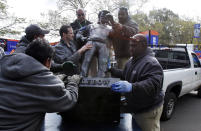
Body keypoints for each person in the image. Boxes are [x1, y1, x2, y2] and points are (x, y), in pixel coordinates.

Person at [0, 38, 81, 131]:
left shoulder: (4, 65)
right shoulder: (44, 81)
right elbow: (68, 100)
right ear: (48, 61)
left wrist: (54, 80)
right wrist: (73, 83)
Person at [110, 34, 164, 131]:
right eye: (130, 45)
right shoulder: (133, 60)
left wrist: (132, 87)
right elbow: (127, 74)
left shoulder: (150, 62)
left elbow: (153, 84)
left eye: (134, 46)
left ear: (143, 46)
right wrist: (112, 70)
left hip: (148, 110)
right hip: (136, 108)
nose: (130, 48)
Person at [76, 10, 115, 77]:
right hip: (92, 42)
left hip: (104, 44)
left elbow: (116, 36)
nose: (103, 18)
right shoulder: (91, 25)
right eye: (102, 16)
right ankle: (82, 76)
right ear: (99, 17)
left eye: (106, 17)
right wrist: (82, 37)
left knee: (103, 63)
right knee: (87, 60)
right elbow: (79, 32)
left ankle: (101, 78)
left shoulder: (110, 28)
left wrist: (112, 23)